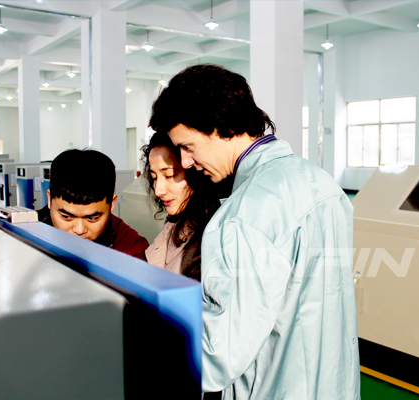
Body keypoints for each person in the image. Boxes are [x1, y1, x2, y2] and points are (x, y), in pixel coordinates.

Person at [150, 64, 360, 399]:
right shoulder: (321, 183)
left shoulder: (243, 214)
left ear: (222, 126)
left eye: (188, 147)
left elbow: (217, 356)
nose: (186, 162)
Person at [38, 148, 149, 260]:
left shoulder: (131, 250)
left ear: (112, 203)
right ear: (49, 199)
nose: (79, 230)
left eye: (92, 218)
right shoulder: (29, 228)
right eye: (66, 217)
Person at [141, 131, 220, 280]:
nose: (158, 190)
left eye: (170, 175)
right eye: (154, 177)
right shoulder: (175, 222)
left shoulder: (209, 237)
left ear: (195, 172)